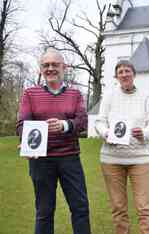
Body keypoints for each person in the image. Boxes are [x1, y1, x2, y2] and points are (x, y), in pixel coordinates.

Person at [16, 48, 91, 234]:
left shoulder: (75, 94)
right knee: (44, 211)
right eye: (46, 65)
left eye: (55, 64)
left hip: (70, 159)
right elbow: (22, 124)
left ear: (64, 67)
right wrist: (28, 141)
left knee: (80, 208)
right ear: (40, 69)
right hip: (40, 160)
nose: (50, 68)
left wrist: (65, 125)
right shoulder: (30, 94)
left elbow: (82, 121)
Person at [95, 60, 149, 233]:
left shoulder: (146, 96)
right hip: (112, 159)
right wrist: (106, 133)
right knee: (118, 208)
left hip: (140, 159)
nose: (124, 74)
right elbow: (100, 121)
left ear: (134, 74)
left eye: (127, 71)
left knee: (144, 208)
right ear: (116, 76)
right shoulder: (108, 95)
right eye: (120, 72)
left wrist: (143, 133)